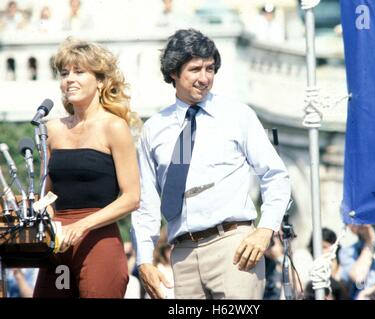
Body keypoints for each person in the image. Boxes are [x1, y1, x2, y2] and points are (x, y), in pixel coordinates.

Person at [131, 28, 291, 299]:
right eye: (195, 69)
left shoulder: (237, 114)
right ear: (173, 72)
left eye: (210, 69)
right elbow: (146, 203)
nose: (204, 78)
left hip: (234, 248)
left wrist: (265, 229)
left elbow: (276, 175)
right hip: (181, 254)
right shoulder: (154, 129)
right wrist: (144, 260)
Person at [33, 38, 140, 298]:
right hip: (57, 243)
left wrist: (81, 226)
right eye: (64, 73)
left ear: (101, 81)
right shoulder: (52, 130)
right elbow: (45, 192)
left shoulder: (114, 127)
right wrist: (49, 220)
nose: (69, 79)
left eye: (79, 72)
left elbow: (132, 198)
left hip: (98, 240)